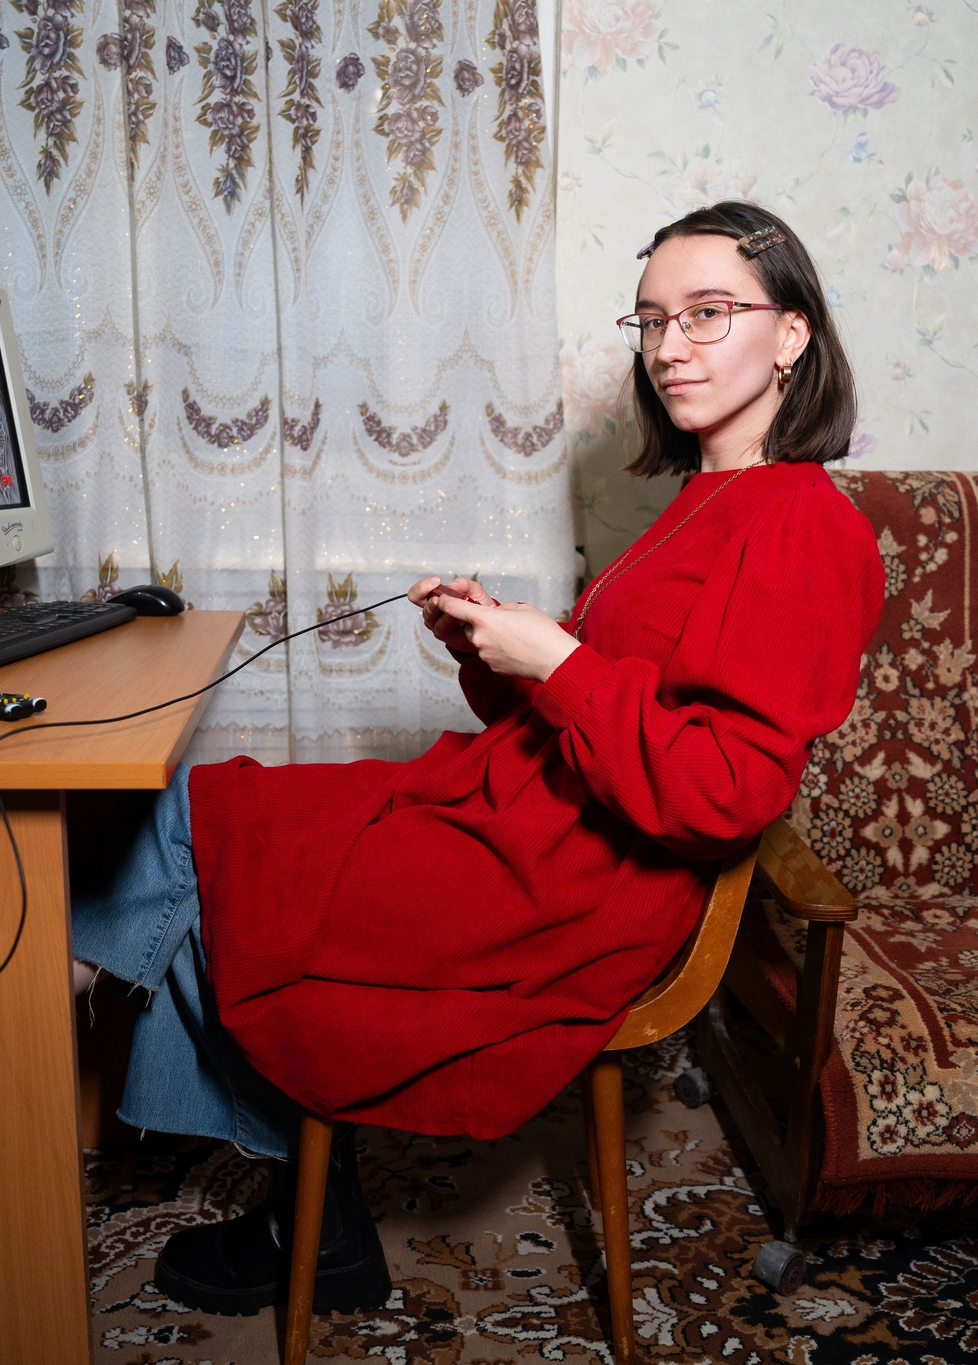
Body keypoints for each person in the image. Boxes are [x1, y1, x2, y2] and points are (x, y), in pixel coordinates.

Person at [70, 200, 884, 1316]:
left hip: (580, 882)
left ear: (790, 333)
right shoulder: (708, 498)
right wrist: (494, 649)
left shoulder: (807, 526)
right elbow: (600, 706)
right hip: (531, 816)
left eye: (707, 313)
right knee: (213, 812)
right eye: (651, 320)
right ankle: (296, 1200)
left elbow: (724, 788)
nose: (669, 346)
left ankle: (50, 1068)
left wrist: (557, 660)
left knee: (209, 833)